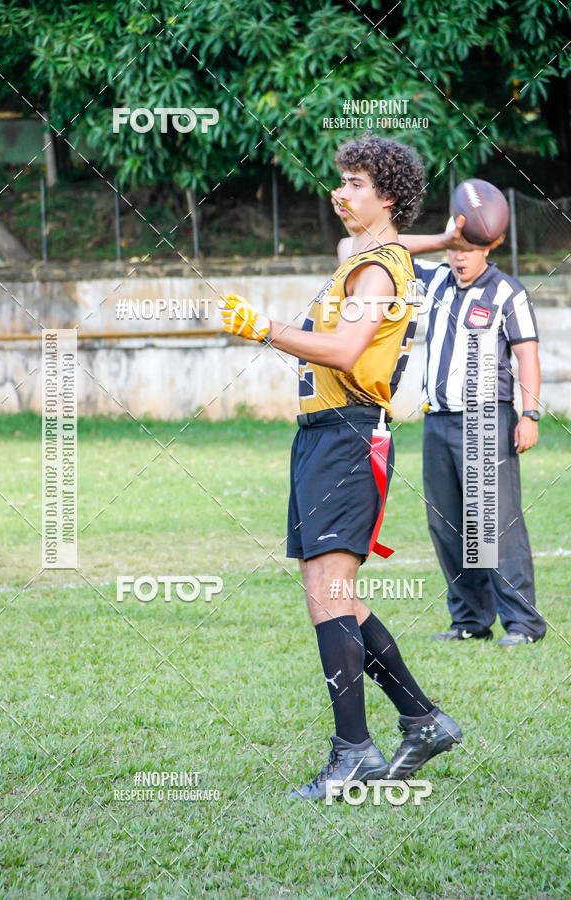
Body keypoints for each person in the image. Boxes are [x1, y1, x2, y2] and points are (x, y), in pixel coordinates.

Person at [219, 136, 462, 802]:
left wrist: (262, 328)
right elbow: (384, 246)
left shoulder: (376, 271)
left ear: (385, 197)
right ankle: (423, 719)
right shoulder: (367, 257)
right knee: (336, 595)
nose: (339, 192)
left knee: (329, 592)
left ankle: (353, 751)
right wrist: (439, 239)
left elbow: (349, 349)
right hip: (327, 435)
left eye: (354, 183)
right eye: (342, 181)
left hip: (348, 433)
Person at [398, 218, 547, 647]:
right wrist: (440, 238)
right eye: (454, 248)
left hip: (486, 418)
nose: (458, 256)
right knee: (448, 525)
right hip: (437, 419)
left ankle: (523, 624)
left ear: (489, 248)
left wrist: (530, 414)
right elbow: (381, 248)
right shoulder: (438, 281)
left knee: (493, 524)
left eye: (468, 248)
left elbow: (527, 357)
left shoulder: (507, 292)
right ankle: (469, 620)